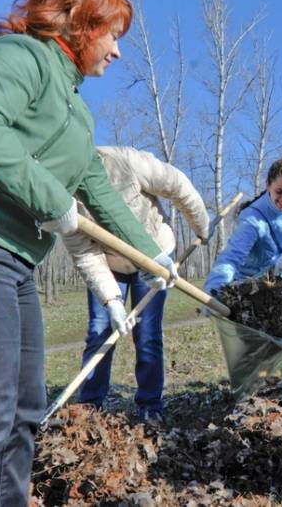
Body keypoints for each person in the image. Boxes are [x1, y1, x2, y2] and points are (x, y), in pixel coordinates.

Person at [0, 0, 177, 505]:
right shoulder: (22, 56)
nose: (117, 51)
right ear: (82, 25)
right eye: (112, 36)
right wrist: (49, 197)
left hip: (16, 264)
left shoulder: (77, 116)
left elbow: (102, 197)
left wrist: (151, 256)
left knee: (22, 416)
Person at [61, 146, 209, 421]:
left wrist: (201, 227)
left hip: (153, 260)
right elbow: (85, 254)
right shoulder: (63, 197)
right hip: (109, 266)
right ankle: (90, 408)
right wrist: (112, 301)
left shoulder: (127, 163)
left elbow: (179, 187)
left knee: (148, 334)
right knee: (99, 331)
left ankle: (150, 406)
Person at [202, 158, 282, 296]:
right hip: (250, 289)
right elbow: (232, 256)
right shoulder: (252, 218)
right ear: (268, 185)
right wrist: (215, 288)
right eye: (279, 191)